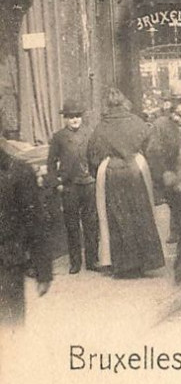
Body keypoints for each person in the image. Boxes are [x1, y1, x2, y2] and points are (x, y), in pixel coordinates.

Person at [88, 86, 164, 279]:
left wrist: (100, 167)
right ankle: (144, 261)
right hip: (135, 170)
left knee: (116, 216)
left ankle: (123, 264)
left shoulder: (100, 127)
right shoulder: (137, 122)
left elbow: (92, 155)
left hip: (111, 172)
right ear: (125, 102)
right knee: (140, 213)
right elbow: (152, 147)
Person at [146, 81, 181, 284]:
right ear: (171, 104)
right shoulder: (161, 126)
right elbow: (153, 153)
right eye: (179, 102)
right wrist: (163, 173)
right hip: (172, 182)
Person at [0, 144, 52, 325]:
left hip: (6, 265)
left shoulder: (19, 172)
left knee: (10, 330)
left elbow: (35, 223)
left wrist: (43, 270)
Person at [46, 98, 99, 274]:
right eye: (70, 117)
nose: (74, 119)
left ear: (82, 117)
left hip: (88, 184)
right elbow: (51, 163)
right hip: (69, 186)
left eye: (77, 116)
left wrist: (95, 176)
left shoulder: (89, 134)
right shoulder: (59, 137)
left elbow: (95, 157)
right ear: (65, 119)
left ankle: (92, 260)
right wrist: (56, 183)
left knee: (91, 223)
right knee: (72, 225)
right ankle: (75, 262)